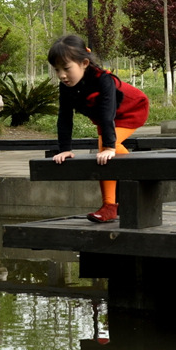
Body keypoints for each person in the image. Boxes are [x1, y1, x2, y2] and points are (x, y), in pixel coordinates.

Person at [48, 35, 149, 223]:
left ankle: (112, 203)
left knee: (106, 145)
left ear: (84, 63)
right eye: (57, 70)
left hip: (132, 110)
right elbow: (64, 117)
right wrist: (65, 150)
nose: (62, 75)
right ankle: (113, 204)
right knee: (106, 145)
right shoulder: (66, 87)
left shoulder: (103, 80)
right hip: (107, 116)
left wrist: (110, 147)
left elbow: (107, 113)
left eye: (67, 68)